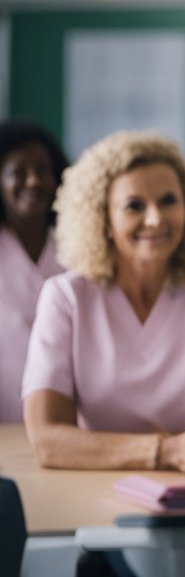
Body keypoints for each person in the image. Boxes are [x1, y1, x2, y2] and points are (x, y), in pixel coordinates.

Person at [23, 131, 185, 472]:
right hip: (88, 484)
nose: (155, 219)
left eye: (168, 201)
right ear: (103, 218)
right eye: (134, 206)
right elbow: (48, 440)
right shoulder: (66, 298)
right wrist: (163, 450)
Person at [0, 120, 68, 423]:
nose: (33, 182)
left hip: (64, 418)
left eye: (43, 171)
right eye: (18, 172)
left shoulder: (75, 248)